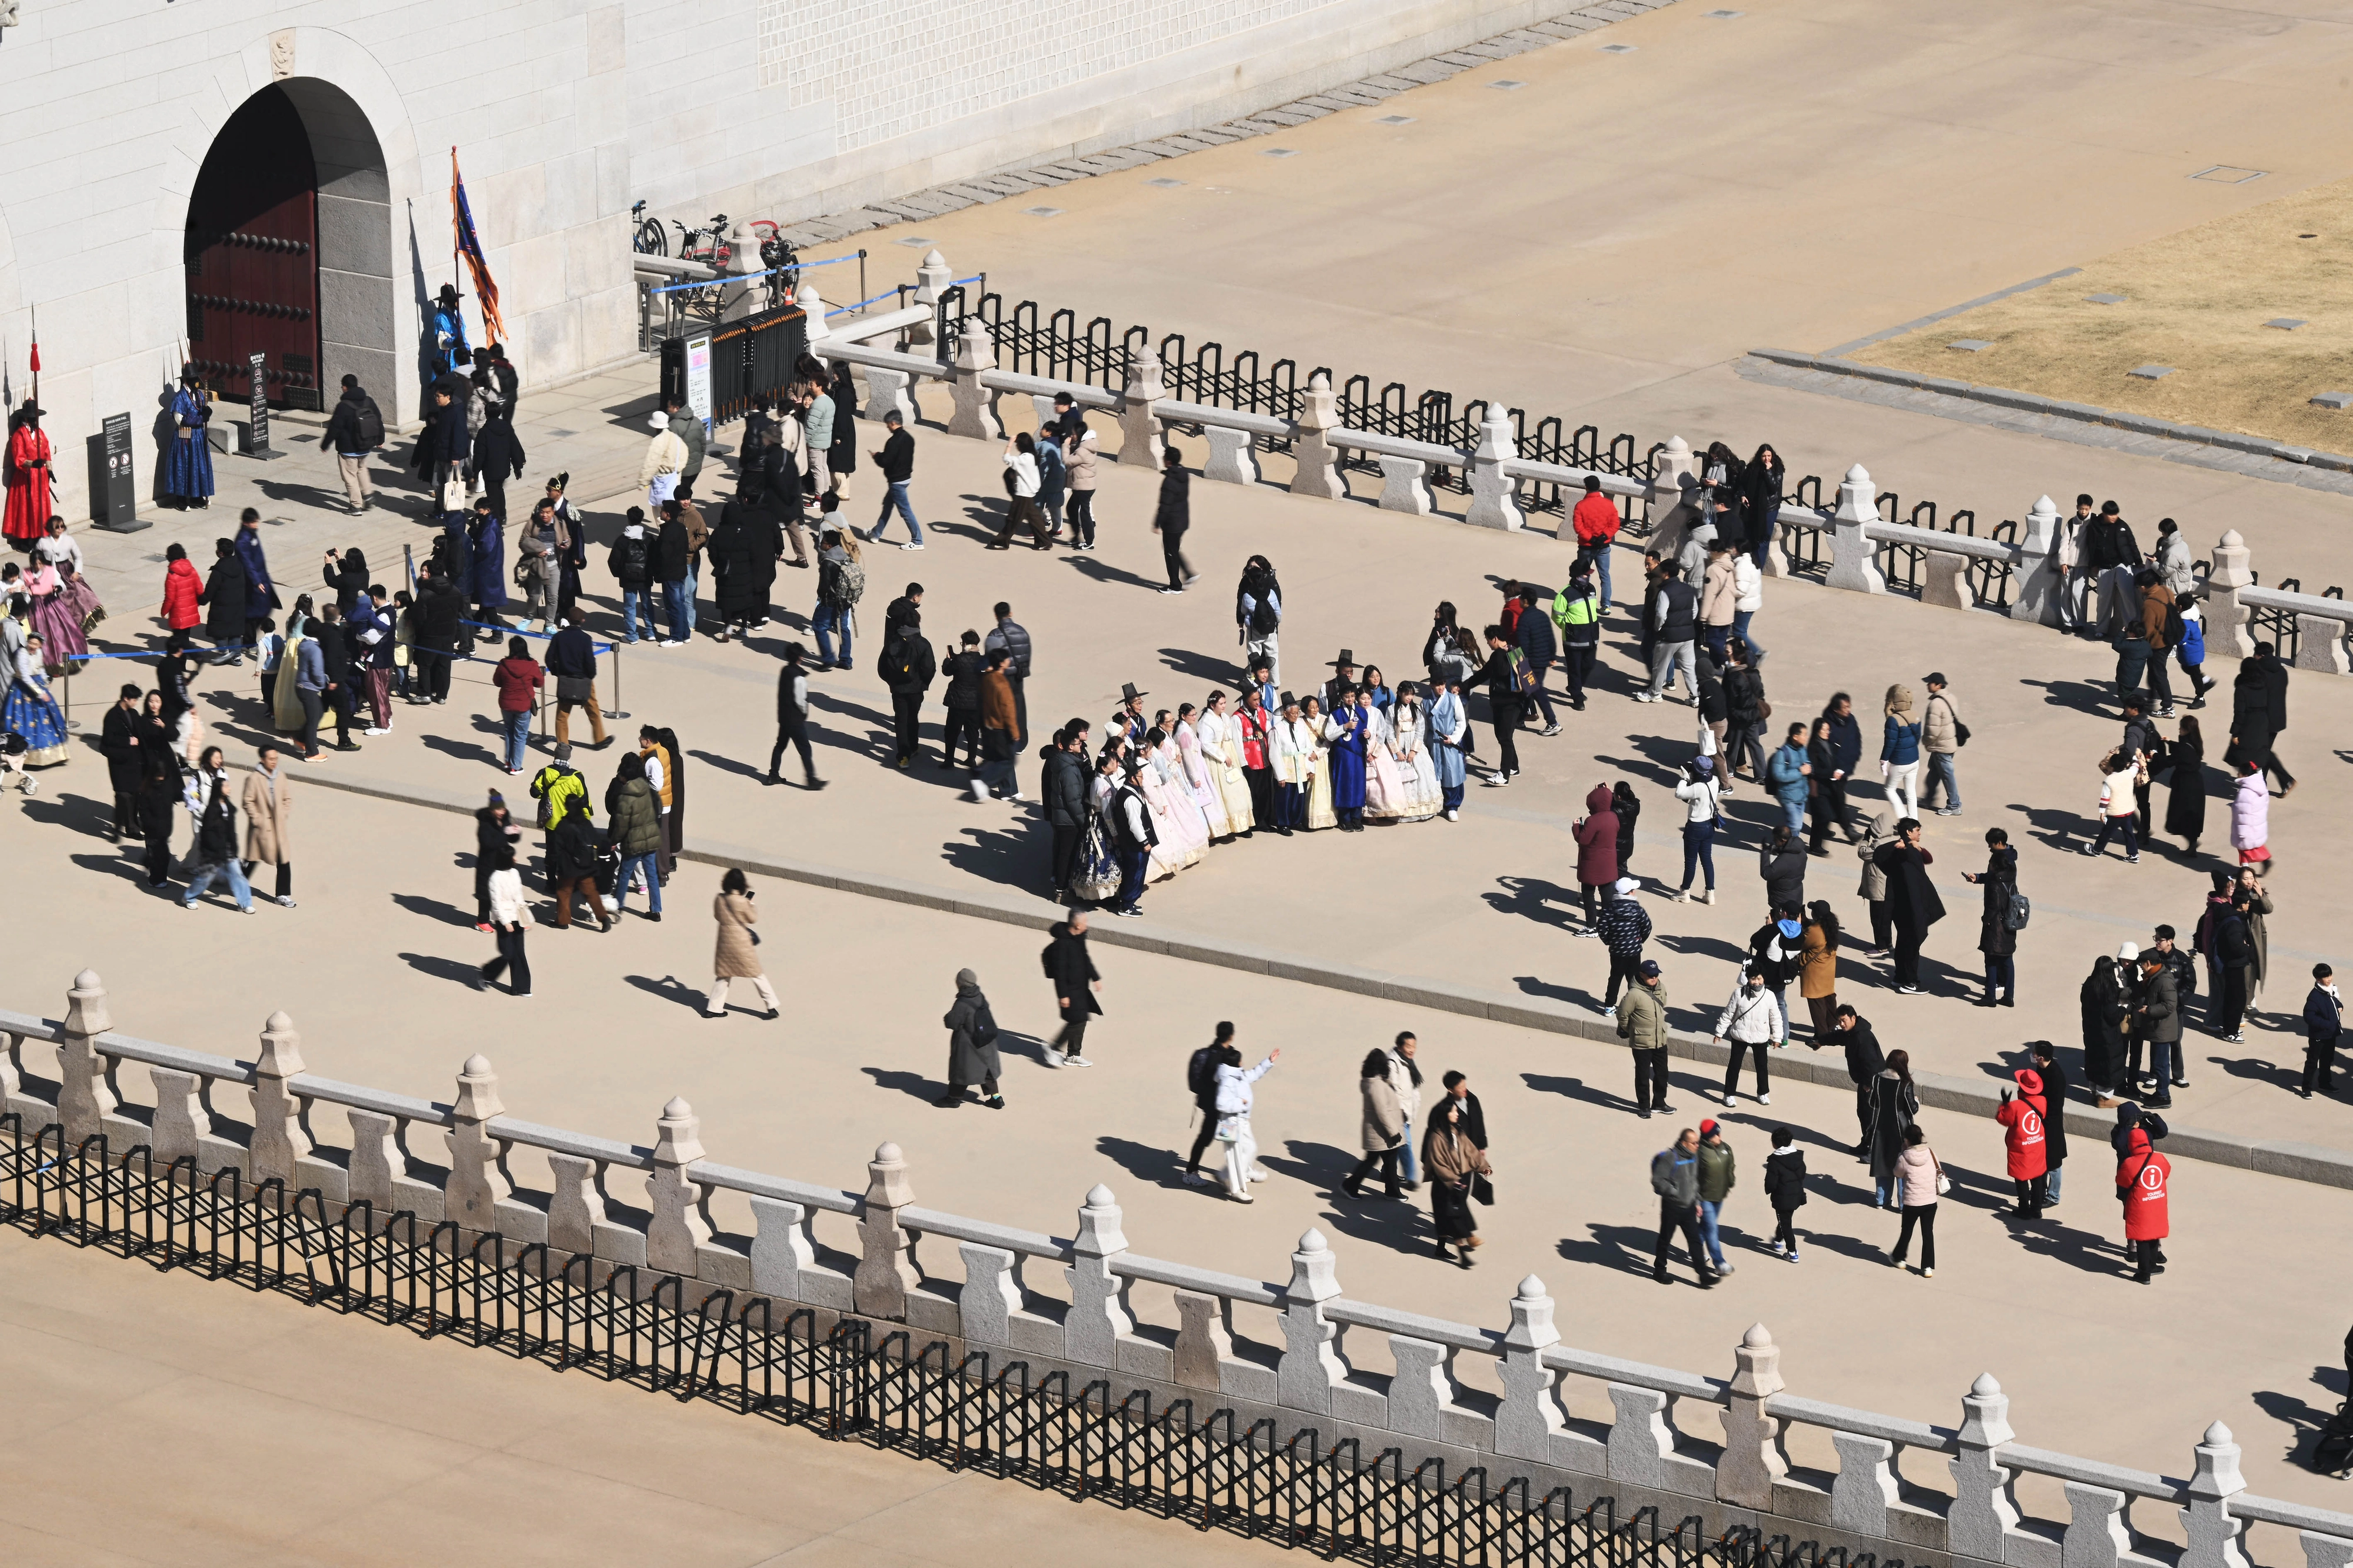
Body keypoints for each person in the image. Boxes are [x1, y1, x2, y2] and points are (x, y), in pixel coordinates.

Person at [1875, 818, 1942, 993]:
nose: (1920, 833)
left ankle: (1899, 977)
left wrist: (1916, 847)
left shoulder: (1906, 849)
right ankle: (1910, 982)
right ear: (1908, 832)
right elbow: (1883, 853)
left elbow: (1928, 858)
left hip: (1900, 905)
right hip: (1912, 906)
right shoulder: (1903, 852)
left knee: (1904, 941)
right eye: (1917, 830)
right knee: (1912, 943)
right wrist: (1907, 847)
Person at [701, 868, 779, 1020]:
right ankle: (771, 1005)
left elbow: (717, 916)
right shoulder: (742, 902)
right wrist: (751, 904)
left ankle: (713, 1009)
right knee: (756, 974)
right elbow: (753, 919)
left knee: (724, 975)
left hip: (725, 942)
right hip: (741, 942)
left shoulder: (720, 899)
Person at [1425, 1097, 1491, 1266]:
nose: (1457, 1114)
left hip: (1456, 1184)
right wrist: (1453, 1181)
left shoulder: (1458, 1132)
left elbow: (1471, 1151)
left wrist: (1484, 1166)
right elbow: (1439, 1165)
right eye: (1453, 1111)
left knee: (1448, 1218)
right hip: (1444, 1186)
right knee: (1453, 1218)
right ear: (1445, 1114)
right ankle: (1463, 1254)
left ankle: (1442, 1248)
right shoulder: (1437, 1137)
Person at [1213, 1044, 1279, 1200]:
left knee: (1249, 1149)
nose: (1243, 1062)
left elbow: (1254, 1074)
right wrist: (1240, 1103)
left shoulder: (1238, 1075)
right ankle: (1235, 1187)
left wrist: (1268, 1062)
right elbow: (1221, 1104)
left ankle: (1230, 1174)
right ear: (1237, 1063)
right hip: (1232, 1123)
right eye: (1241, 1060)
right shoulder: (1228, 1080)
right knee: (1237, 1154)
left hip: (1242, 1121)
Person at [1962, 828, 2019, 1007]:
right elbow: (1994, 877)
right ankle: (2009, 996)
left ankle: (1990, 997)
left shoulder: (1995, 885)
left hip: (1995, 926)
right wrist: (1979, 878)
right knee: (2008, 960)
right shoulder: (2009, 871)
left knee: (1991, 960)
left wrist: (1985, 919)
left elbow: (1994, 906)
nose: (1989, 848)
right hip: (2009, 922)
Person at [1650, 1127, 1715, 1286]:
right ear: (1684, 1143)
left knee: (1695, 1241)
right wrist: (1675, 1193)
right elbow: (1658, 1180)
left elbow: (1694, 1182)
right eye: (1694, 1143)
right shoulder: (1670, 1157)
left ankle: (1703, 1275)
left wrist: (1697, 1201)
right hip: (1672, 1206)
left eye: (1698, 1142)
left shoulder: (1694, 1157)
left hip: (1689, 1207)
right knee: (1665, 1239)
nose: (1697, 1146)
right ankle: (1660, 1271)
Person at [1182, 1024, 1245, 1185]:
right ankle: (1191, 1172)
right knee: (1215, 1139)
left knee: (1223, 1139)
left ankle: (1233, 1173)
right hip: (1219, 1109)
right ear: (1231, 1036)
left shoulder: (1214, 1053)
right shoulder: (1224, 1057)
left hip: (1215, 1106)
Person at [237, 744, 296, 909]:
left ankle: (282, 895)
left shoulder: (281, 776)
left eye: (276, 758)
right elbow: (248, 801)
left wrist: (283, 814)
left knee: (284, 860)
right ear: (262, 760)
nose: (274, 762)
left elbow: (287, 799)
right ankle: (238, 885)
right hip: (260, 830)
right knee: (252, 861)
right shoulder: (254, 779)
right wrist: (258, 819)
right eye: (271, 759)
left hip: (278, 828)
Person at [1713, 967, 1781, 1106]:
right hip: (1740, 1035)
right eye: (1753, 979)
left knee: (1762, 1067)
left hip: (1761, 1036)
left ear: (1764, 979)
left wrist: (1777, 1037)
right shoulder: (1739, 993)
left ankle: (1763, 1093)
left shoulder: (1769, 996)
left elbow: (1776, 1018)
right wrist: (1719, 1032)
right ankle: (1729, 1094)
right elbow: (1728, 1014)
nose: (1756, 982)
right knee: (1734, 1066)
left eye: (1759, 979)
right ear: (1748, 979)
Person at [1345, 1047, 1408, 1200]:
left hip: (1380, 1131)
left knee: (1389, 1160)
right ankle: (1350, 1186)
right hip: (1381, 1132)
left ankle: (1392, 1191)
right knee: (1372, 1160)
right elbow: (1382, 1111)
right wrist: (1394, 1132)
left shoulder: (1374, 1081)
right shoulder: (1376, 1085)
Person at [471, 842, 532, 996]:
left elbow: (519, 896)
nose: (516, 859)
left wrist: (524, 917)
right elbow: (496, 904)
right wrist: (505, 922)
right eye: (513, 857)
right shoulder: (495, 878)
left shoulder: (515, 873)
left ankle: (522, 988)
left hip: (517, 917)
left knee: (519, 952)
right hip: (504, 920)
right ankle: (486, 974)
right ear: (506, 859)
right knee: (508, 953)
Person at [878, 614, 936, 771]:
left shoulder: (892, 642)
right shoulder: (923, 643)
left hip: (898, 689)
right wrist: (923, 683)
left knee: (901, 720)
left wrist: (892, 682)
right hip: (916, 689)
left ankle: (903, 756)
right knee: (913, 716)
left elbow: (882, 668)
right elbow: (929, 668)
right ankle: (914, 746)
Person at [2117, 1120, 2172, 1285]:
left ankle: (2144, 1273)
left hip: (2140, 1206)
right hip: (2158, 1203)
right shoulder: (2159, 1158)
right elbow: (2167, 1172)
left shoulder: (2129, 1163)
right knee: (2154, 1235)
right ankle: (2153, 1266)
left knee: (2142, 1239)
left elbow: (2122, 1181)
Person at [319, 374, 383, 513]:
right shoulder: (368, 401)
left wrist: (325, 445)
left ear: (345, 387)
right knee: (361, 469)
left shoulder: (343, 406)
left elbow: (335, 428)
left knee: (350, 477)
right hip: (365, 445)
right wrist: (380, 439)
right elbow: (378, 419)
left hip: (348, 449)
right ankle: (368, 495)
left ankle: (356, 506)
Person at [1616, 958, 1672, 1116]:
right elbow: (1622, 1015)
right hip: (1642, 1043)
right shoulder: (1634, 994)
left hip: (1660, 1040)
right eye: (1650, 975)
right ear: (1642, 975)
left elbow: (1663, 1004)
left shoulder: (1661, 988)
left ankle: (1659, 1104)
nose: (1654, 978)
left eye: (1656, 975)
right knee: (1643, 1076)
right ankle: (1644, 1107)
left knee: (1662, 1074)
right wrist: (1632, 1030)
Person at [1045, 915, 1101, 1066]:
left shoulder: (1079, 938)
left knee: (1081, 1020)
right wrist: (1063, 995)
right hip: (1069, 989)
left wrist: (1095, 977)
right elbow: (1060, 974)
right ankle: (1053, 1047)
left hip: (1081, 986)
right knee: (1078, 1020)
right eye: (1085, 922)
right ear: (1077, 925)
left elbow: (1085, 958)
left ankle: (1073, 1055)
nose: (1087, 925)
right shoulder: (1062, 945)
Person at [1638, 562, 1698, 702]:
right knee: (1689, 667)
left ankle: (1655, 693)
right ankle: (1695, 696)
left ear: (1666, 574)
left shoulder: (1665, 591)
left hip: (1668, 637)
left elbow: (1661, 615)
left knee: (1660, 667)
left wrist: (1658, 628)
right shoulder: (1688, 589)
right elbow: (1694, 610)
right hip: (1688, 636)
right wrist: (1686, 623)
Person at [1995, 1068, 2050, 1219]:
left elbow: (2002, 1119)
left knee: (2021, 1179)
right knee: (2037, 1178)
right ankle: (2037, 1209)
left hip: (2021, 1148)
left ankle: (2024, 1209)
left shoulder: (2015, 1106)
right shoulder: (2042, 1101)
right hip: (2037, 1145)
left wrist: (2005, 1105)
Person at [1867, 1049, 1919, 1207]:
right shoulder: (1905, 1083)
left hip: (1881, 1127)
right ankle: (1903, 1205)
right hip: (1901, 1130)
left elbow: (1873, 1103)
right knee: (1902, 1166)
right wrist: (1916, 1101)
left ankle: (1881, 1201)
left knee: (1883, 1163)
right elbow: (1912, 1109)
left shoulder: (1877, 1079)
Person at [1888, 1126, 1941, 1277]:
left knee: (1907, 1231)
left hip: (1912, 1202)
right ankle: (1927, 1267)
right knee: (1928, 1233)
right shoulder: (1930, 1153)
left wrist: (1902, 1153)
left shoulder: (1905, 1157)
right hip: (1930, 1201)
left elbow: (1897, 1173)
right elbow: (1937, 1169)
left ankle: (1899, 1258)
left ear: (1907, 1140)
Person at [1834, 1003, 1885, 1155]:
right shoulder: (1852, 1033)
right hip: (1865, 1082)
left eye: (1844, 1020)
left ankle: (1873, 1151)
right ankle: (1866, 1144)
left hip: (1873, 1084)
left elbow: (1871, 1063)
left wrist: (1868, 1084)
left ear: (1853, 1018)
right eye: (1839, 1021)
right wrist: (1820, 1041)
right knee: (1862, 1113)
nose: (1842, 1024)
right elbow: (1837, 1037)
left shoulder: (1863, 1038)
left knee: (1870, 1116)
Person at [974, 650, 1025, 802]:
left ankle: (1008, 791)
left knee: (1000, 759)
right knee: (1007, 761)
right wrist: (1015, 733)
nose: (1009, 661)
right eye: (1007, 659)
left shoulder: (987, 678)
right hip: (1002, 728)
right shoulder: (1002, 684)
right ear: (1002, 663)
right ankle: (984, 781)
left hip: (989, 725)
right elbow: (1009, 711)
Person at [1597, 877, 1651, 1017]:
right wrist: (1640, 941)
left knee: (1615, 978)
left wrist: (1609, 941)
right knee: (1634, 980)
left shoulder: (1609, 909)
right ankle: (1635, 1007)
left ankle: (1609, 1006)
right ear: (1630, 892)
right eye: (1634, 890)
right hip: (1634, 951)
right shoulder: (1637, 909)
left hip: (1617, 952)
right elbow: (1647, 926)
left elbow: (1601, 927)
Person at [1672, 756, 1722, 904]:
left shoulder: (1697, 788)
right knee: (1707, 861)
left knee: (1690, 862)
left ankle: (1685, 892)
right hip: (1709, 826)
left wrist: (1685, 777)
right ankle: (1710, 894)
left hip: (1694, 828)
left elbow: (1679, 793)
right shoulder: (1715, 781)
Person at [491, 636, 542, 776]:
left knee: (509, 731)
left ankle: (508, 762)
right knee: (520, 735)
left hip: (506, 703)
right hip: (524, 705)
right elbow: (540, 683)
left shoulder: (504, 664)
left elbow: (497, 682)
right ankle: (515, 766)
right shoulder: (533, 665)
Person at [1570, 475, 1619, 609]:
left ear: (1586, 488)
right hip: (1603, 546)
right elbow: (1615, 524)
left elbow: (1579, 527)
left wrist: (1591, 538)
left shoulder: (1580, 506)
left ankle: (1581, 599)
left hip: (1586, 546)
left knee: (1582, 574)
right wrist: (1604, 536)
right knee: (1605, 576)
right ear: (1600, 487)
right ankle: (1606, 605)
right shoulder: (1609, 504)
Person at [1695, 1120, 1737, 1277]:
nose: (1719, 1137)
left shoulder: (1725, 1148)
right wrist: (1696, 1200)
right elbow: (1692, 1177)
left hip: (1719, 1195)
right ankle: (1720, 1264)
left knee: (1705, 1226)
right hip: (1704, 1198)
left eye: (1719, 1133)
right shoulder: (1699, 1152)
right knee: (1712, 1229)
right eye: (1715, 1135)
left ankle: (1694, 1249)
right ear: (1708, 1137)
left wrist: (1731, 1180)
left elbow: (1730, 1166)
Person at [198, 538, 250, 665]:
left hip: (221, 608)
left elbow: (210, 592)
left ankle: (225, 653)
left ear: (221, 553)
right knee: (235, 632)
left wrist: (201, 600)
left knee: (217, 632)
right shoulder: (240, 565)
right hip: (238, 606)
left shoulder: (218, 571)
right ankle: (236, 657)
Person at [1572, 785, 1619, 925]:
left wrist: (1576, 827)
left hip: (1592, 865)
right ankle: (1607, 924)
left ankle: (1591, 926)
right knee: (1607, 895)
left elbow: (1582, 839)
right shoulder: (1613, 817)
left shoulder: (1592, 821)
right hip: (1608, 864)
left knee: (1588, 894)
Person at [1796, 902, 1841, 1042]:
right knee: (1829, 999)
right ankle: (1833, 1026)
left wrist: (1799, 924)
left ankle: (1821, 1036)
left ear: (1816, 915)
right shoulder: (1830, 926)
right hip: (1827, 970)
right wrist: (1805, 921)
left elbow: (1801, 943)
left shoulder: (1815, 931)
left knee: (1817, 1004)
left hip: (1815, 973)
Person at [1763, 1127, 1808, 1262]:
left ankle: (1792, 1252)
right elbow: (1802, 1173)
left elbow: (1771, 1182)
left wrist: (1769, 1190)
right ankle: (1778, 1240)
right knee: (1785, 1220)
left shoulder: (1775, 1161)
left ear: (1775, 1144)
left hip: (1783, 1199)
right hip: (1796, 1195)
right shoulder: (1797, 1156)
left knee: (1786, 1224)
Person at [1879, 685, 1923, 819]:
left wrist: (1884, 759)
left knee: (1889, 789)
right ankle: (1914, 821)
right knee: (1911, 793)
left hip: (1899, 762)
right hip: (1914, 760)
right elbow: (1917, 738)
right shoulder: (1916, 716)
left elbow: (1890, 743)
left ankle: (1904, 820)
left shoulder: (1893, 720)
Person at [1237, 556, 1281, 681]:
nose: (1251, 569)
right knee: (1273, 654)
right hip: (1271, 628)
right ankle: (1274, 681)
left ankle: (1251, 679)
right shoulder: (1271, 590)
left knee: (1253, 655)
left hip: (1254, 629)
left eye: (1254, 567)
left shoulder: (1248, 596)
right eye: (1250, 567)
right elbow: (1278, 608)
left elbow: (1242, 608)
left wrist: (1242, 620)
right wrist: (1276, 621)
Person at [2303, 963, 2343, 1100]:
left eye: (2330, 975)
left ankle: (2324, 1084)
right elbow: (2309, 1016)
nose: (2330, 978)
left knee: (2327, 1060)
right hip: (2318, 1036)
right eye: (2326, 977)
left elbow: (2334, 1002)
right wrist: (2327, 1024)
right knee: (2312, 1062)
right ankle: (2306, 1088)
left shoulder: (2329, 990)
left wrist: (2340, 1006)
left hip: (2330, 1035)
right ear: (2318, 979)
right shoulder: (2315, 996)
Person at [1764, 723, 1810, 838]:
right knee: (1795, 826)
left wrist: (1810, 767)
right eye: (1804, 734)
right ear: (1795, 737)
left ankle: (1789, 844)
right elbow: (1779, 775)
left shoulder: (1802, 749)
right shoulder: (1782, 754)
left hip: (1801, 794)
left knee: (1796, 825)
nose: (1807, 737)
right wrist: (1800, 772)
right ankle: (1787, 843)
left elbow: (1808, 762)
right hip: (1788, 796)